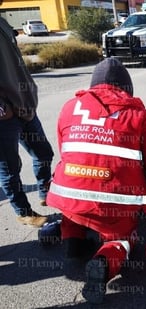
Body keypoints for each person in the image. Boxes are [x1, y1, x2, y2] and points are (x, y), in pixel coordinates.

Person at [45, 58, 146, 304]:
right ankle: (104, 263)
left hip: (69, 191)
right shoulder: (138, 115)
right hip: (114, 200)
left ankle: (72, 240)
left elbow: (66, 150)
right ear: (127, 89)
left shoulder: (69, 107)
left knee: (73, 212)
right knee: (122, 237)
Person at [0, 15, 54, 228]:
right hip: (5, 115)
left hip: (24, 105)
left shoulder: (2, 22)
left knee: (43, 153)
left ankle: (45, 191)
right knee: (10, 169)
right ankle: (23, 212)